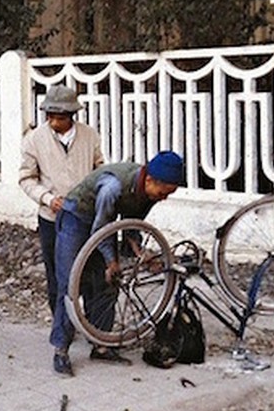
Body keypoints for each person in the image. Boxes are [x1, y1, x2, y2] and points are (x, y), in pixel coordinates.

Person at [49, 151, 185, 377]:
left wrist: (140, 254)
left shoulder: (147, 192)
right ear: (150, 180)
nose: (164, 198)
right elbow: (101, 231)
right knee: (69, 285)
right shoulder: (113, 188)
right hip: (77, 217)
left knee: (108, 282)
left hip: (105, 223)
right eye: (163, 192)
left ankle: (101, 344)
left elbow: (132, 225)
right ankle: (61, 349)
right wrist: (111, 260)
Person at [19, 83, 104, 312]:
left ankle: (92, 323)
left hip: (86, 215)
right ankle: (62, 325)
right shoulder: (34, 139)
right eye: (51, 117)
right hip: (51, 217)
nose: (55, 123)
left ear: (71, 116)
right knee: (57, 273)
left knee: (91, 270)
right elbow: (26, 178)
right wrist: (47, 198)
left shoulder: (89, 135)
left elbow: (100, 168)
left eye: (61, 118)